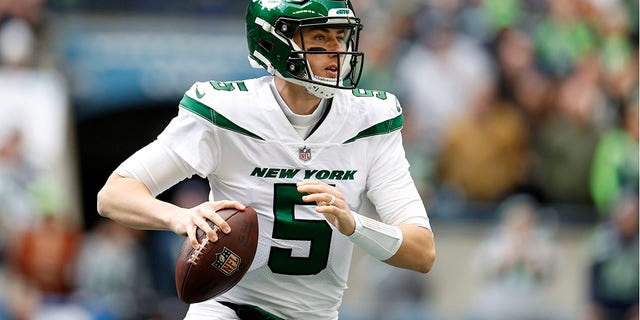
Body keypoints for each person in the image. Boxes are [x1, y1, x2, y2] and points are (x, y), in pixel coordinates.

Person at [96, 1, 436, 319]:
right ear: (275, 42)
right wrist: (181, 218)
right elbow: (114, 195)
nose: (337, 51)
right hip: (226, 306)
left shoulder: (371, 119)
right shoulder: (226, 110)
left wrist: (354, 225)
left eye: (341, 36)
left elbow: (422, 252)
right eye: (320, 37)